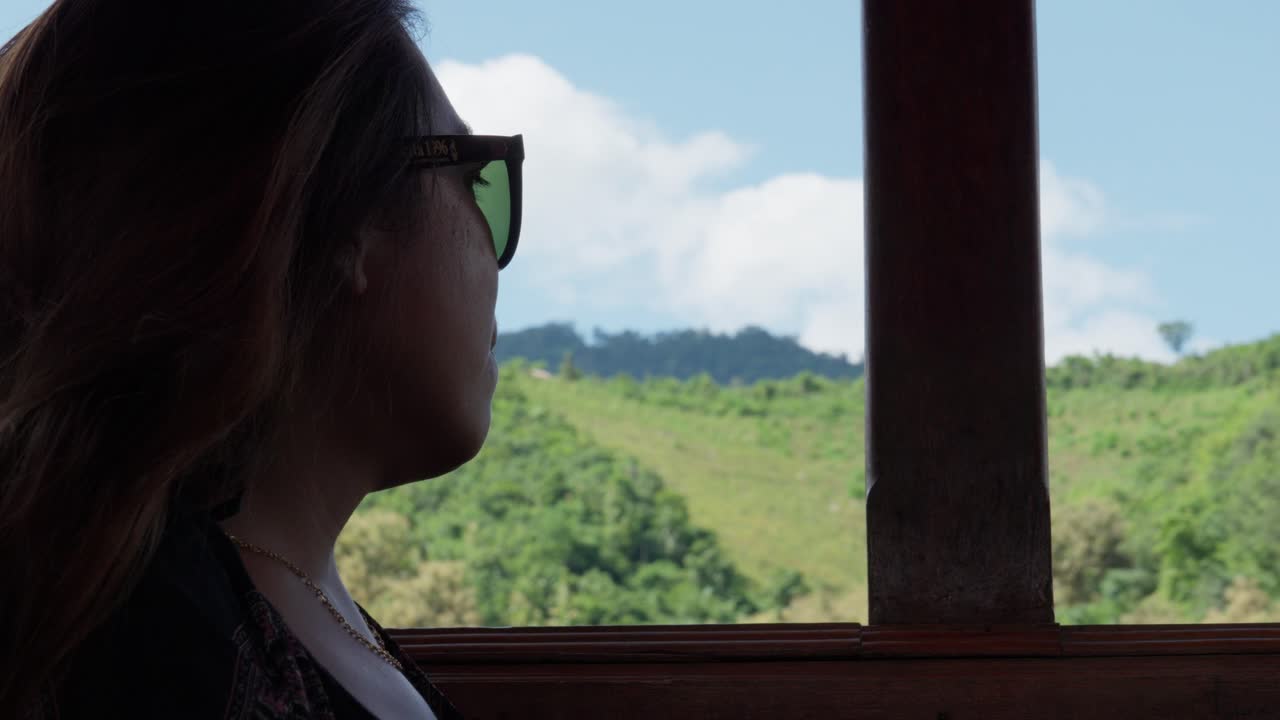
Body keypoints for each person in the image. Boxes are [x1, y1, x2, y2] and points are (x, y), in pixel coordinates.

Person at [0, 0, 524, 717]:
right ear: (348, 223)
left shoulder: (225, 603)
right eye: (477, 177)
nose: (498, 259)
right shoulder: (162, 645)